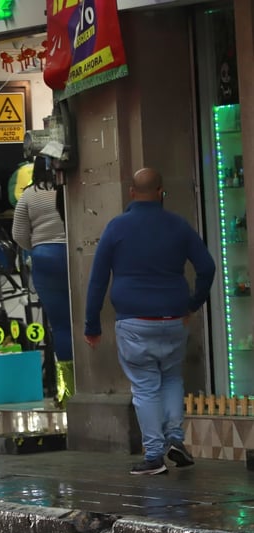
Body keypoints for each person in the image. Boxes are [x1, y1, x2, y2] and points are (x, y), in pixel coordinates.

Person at [84, 168, 215, 475]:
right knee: (171, 378)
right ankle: (175, 439)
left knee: (145, 387)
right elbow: (206, 267)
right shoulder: (179, 226)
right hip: (173, 319)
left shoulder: (116, 228)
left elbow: (97, 281)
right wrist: (192, 304)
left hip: (134, 322)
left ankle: (154, 455)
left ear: (131, 192)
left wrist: (92, 326)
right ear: (161, 192)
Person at [11, 159, 74, 407]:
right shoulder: (68, 188)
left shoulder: (29, 195)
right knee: (83, 320)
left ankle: (67, 391)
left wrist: (37, 247)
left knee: (60, 326)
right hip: (75, 256)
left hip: (45, 258)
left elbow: (18, 234)